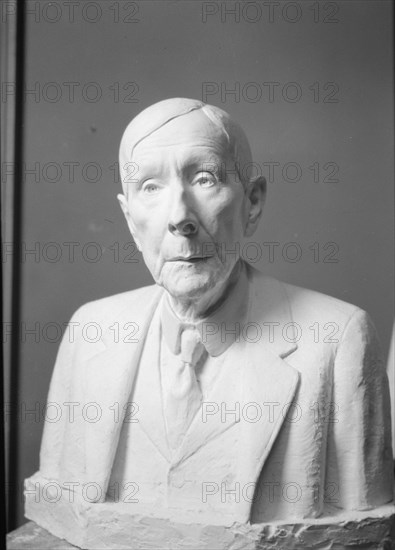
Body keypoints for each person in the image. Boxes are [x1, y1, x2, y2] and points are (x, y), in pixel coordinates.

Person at [29, 98, 393, 527]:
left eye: (204, 179)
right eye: (150, 186)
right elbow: (56, 505)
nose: (180, 217)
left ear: (252, 202)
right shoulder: (89, 333)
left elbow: (364, 529)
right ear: (129, 219)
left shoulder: (339, 340)